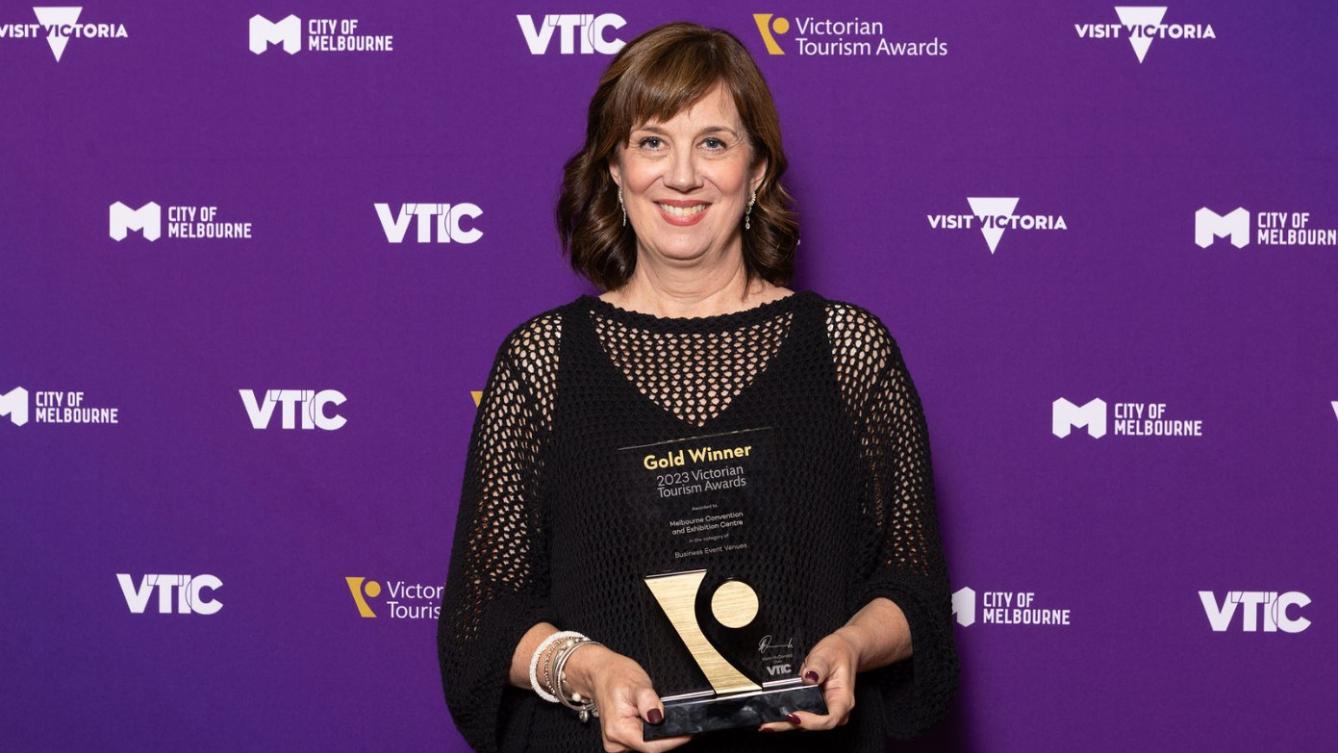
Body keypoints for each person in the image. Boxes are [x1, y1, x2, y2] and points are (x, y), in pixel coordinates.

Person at [438, 21, 958, 753]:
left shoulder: (850, 352)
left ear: (757, 170)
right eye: (652, 141)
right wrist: (586, 669)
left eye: (713, 142)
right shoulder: (542, 363)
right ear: (614, 169)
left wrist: (851, 646)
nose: (681, 174)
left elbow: (916, 596)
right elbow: (483, 620)